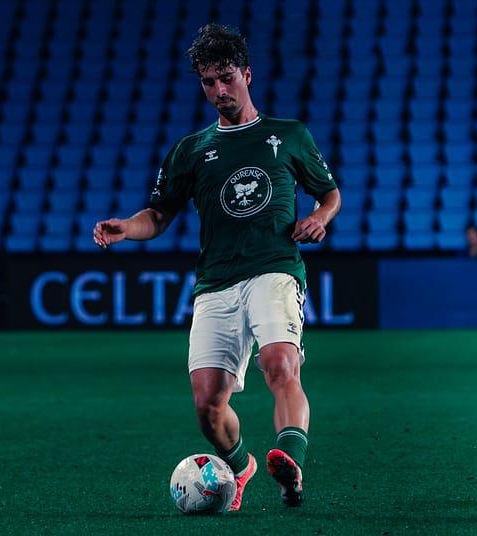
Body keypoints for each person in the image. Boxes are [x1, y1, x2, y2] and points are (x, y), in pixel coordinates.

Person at [92, 23, 341, 510]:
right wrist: (127, 227)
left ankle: (290, 462)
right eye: (209, 82)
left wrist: (319, 217)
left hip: (274, 268)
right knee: (208, 405)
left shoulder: (288, 135)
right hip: (215, 283)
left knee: (280, 365)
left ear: (247, 74)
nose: (219, 90)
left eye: (227, 78)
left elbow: (329, 194)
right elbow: (158, 215)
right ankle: (243, 465)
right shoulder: (190, 150)